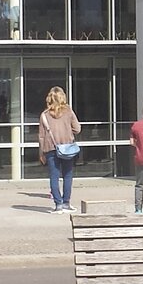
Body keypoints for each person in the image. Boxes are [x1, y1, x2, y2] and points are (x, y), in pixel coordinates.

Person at [38, 86, 81, 214]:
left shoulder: (44, 115)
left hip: (51, 148)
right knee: (68, 175)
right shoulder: (69, 112)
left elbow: (41, 136)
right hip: (67, 147)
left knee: (54, 176)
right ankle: (67, 202)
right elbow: (77, 129)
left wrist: (41, 152)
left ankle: (58, 205)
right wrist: (68, 132)